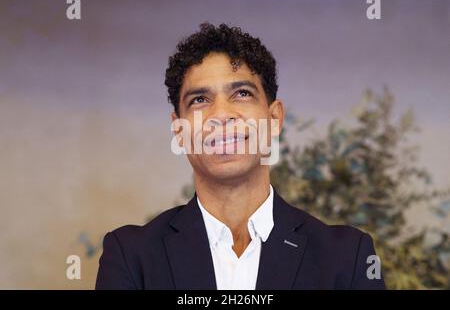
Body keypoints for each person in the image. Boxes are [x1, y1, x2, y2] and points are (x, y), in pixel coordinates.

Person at [96, 23, 385, 290]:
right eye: (200, 100)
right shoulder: (131, 256)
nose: (221, 115)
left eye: (242, 94)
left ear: (274, 118)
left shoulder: (348, 257)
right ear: (179, 130)